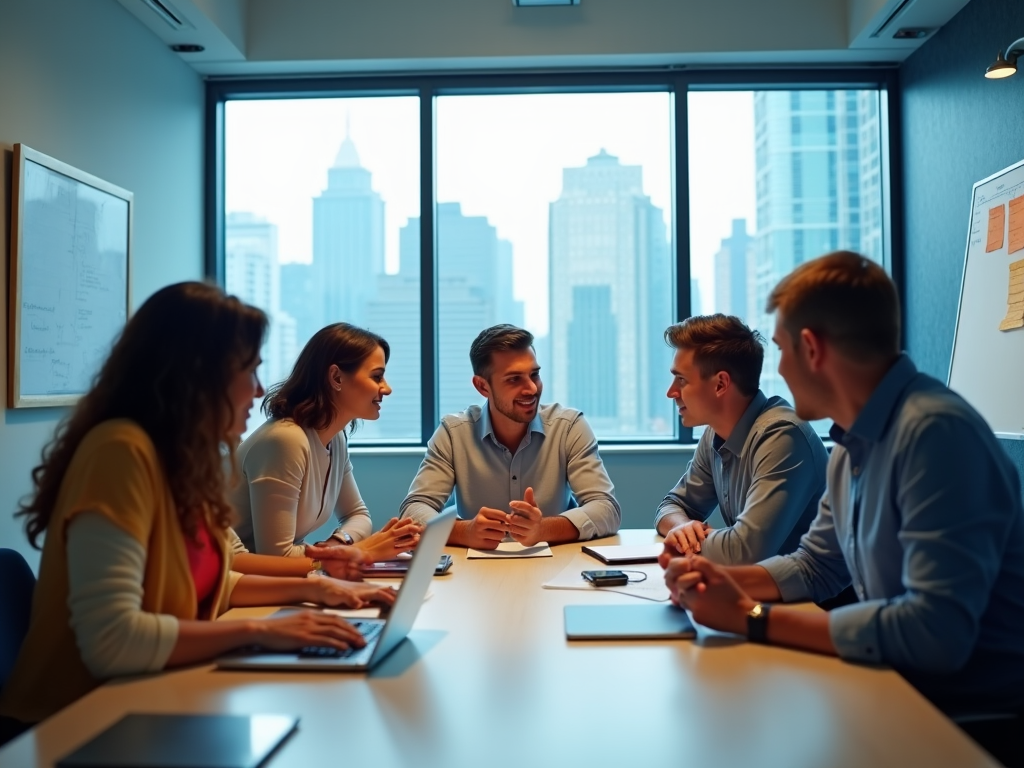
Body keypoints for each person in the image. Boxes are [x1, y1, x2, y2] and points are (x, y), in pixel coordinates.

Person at [0, 282, 393, 730]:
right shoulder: (120, 452)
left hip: (155, 700)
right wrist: (263, 630)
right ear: (196, 375)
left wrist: (315, 588)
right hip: (74, 722)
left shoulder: (187, 461)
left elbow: (212, 582)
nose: (259, 389)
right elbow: (112, 639)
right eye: (248, 371)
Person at [662, 252, 1024, 731]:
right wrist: (722, 582)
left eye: (783, 351)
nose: (781, 371)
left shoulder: (934, 434)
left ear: (812, 349)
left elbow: (935, 632)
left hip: (965, 717)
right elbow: (819, 565)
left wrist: (749, 616)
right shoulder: (855, 439)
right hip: (898, 687)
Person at [400, 324, 620, 548]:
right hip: (475, 573)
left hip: (556, 570)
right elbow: (414, 509)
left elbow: (606, 509)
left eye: (534, 374)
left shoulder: (569, 427)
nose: (532, 389)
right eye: (514, 379)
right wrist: (464, 532)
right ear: (482, 386)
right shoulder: (453, 433)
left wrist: (543, 529)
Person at [229, 323, 422, 565]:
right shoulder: (285, 440)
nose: (387, 388)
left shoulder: (336, 439)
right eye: (377, 376)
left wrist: (337, 546)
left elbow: (358, 516)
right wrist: (359, 552)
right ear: (336, 377)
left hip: (275, 582)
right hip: (240, 589)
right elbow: (276, 558)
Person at [656, 315, 828, 564]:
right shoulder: (715, 432)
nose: (671, 392)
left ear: (720, 384)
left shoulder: (783, 436)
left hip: (819, 601)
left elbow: (745, 551)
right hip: (758, 588)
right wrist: (682, 528)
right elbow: (671, 505)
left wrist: (685, 541)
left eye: (681, 379)